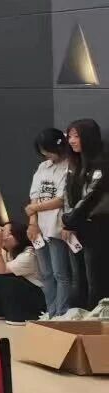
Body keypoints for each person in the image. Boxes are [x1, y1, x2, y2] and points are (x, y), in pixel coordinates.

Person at [26, 128, 76, 316]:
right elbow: (34, 195)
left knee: (60, 273)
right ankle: (50, 311)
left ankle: (61, 313)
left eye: (48, 151)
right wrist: (32, 222)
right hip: (39, 227)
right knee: (46, 274)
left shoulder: (70, 166)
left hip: (57, 226)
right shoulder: (43, 167)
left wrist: (34, 208)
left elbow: (62, 199)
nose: (46, 155)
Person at [62, 119, 108, 310]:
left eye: (76, 136)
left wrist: (70, 221)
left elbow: (92, 196)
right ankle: (77, 314)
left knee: (95, 278)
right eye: (69, 136)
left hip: (96, 226)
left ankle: (95, 317)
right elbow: (67, 194)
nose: (72, 140)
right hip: (75, 228)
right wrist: (68, 222)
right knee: (78, 277)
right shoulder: (74, 164)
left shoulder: (101, 164)